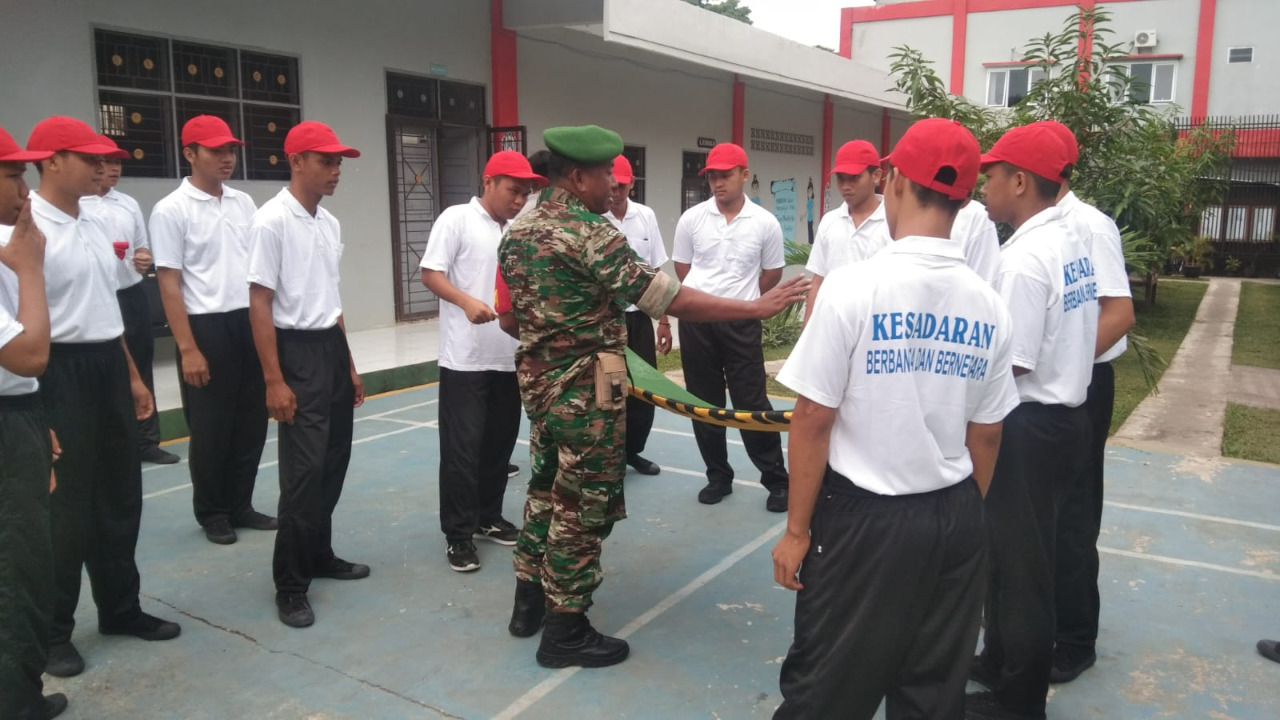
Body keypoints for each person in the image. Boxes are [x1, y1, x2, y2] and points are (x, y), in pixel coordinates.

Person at [499, 125, 808, 669]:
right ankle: (565, 629)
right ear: (578, 178)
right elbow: (668, 297)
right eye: (606, 176)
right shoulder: (590, 234)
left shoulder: (519, 230)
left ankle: (529, 602)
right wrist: (755, 308)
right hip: (586, 394)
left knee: (545, 489)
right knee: (582, 506)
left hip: (541, 388)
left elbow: (515, 317)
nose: (614, 187)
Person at [771, 117, 1019, 720]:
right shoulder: (989, 305)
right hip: (955, 514)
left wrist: (797, 530)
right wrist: (962, 513)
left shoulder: (853, 289)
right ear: (964, 198)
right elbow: (986, 433)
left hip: (865, 521)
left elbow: (812, 417)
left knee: (826, 688)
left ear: (897, 182)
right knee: (932, 688)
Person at [25, 116, 181, 680]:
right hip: (56, 370)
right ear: (51, 162)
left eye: (103, 158)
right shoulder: (24, 229)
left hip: (108, 364)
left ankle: (120, 608)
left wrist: (133, 376)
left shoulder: (92, 221)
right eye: (88, 158)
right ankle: (53, 634)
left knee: (120, 494)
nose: (101, 167)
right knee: (66, 510)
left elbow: (106, 307)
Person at [967, 123, 1100, 720]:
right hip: (1065, 421)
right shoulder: (1068, 241)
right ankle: (998, 660)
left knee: (1022, 570)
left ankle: (1019, 701)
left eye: (992, 175)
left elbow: (1013, 363)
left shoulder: (1023, 259)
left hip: (1029, 426)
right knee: (1013, 557)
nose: (984, 186)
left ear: (1020, 182)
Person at [247, 121, 369, 629]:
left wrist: (349, 364)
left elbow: (330, 298)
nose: (335, 170)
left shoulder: (329, 223)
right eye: (326, 161)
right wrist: (274, 380)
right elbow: (259, 301)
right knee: (303, 473)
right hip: (294, 351)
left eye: (338, 162)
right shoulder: (271, 221)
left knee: (333, 461)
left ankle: (319, 553)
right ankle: (291, 585)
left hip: (329, 347)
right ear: (296, 161)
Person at [1034, 120, 1136, 684]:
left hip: (1083, 384)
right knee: (1034, 514)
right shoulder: (1038, 227)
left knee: (1072, 512)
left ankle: (1074, 638)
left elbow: (1119, 312)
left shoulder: (1089, 226)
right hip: (1052, 386)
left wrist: (1065, 365)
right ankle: (1033, 626)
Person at [150, 115, 275, 545]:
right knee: (211, 428)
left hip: (248, 321)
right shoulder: (171, 210)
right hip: (205, 326)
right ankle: (213, 512)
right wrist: (188, 348)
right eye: (216, 150)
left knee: (251, 422)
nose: (227, 158)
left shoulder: (243, 203)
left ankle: (241, 504)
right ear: (190, 153)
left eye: (231, 150)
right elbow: (169, 283)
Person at [420, 150, 544, 573]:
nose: (519, 200)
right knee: (462, 452)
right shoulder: (456, 219)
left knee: (498, 447)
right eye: (513, 191)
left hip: (508, 358)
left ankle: (488, 517)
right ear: (488, 182)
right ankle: (458, 535)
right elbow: (431, 273)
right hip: (466, 361)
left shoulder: (519, 230)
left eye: (525, 194)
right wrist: (466, 301)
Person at [671, 143, 790, 512]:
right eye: (712, 176)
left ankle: (776, 480)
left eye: (725, 175)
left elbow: (772, 272)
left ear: (744, 174)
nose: (718, 183)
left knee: (751, 401)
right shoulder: (691, 219)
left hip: (741, 324)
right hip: (697, 324)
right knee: (703, 401)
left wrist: (743, 302)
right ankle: (718, 477)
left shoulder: (765, 223)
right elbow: (682, 268)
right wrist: (707, 303)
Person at [0, 126, 69, 720]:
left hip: (16, 410)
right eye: (10, 175)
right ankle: (17, 700)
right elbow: (28, 354)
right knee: (16, 567)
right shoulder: (17, 256)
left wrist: (33, 416)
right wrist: (30, 271)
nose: (23, 189)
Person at [81, 135, 178, 466]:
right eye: (107, 162)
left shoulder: (128, 204)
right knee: (107, 372)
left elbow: (142, 247)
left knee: (141, 365)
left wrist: (143, 257)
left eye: (117, 163)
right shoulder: (80, 205)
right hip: (98, 297)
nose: (113, 169)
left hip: (131, 294)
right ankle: (113, 444)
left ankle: (147, 441)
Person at [603, 154, 670, 476]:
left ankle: (632, 452)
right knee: (609, 390)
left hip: (639, 317)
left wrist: (664, 320)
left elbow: (656, 270)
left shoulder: (645, 216)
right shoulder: (593, 218)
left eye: (622, 185)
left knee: (645, 390)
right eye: (612, 184)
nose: (616, 191)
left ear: (632, 184)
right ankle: (609, 456)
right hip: (606, 320)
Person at [803, 139, 889, 326]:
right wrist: (806, 333)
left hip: (877, 327)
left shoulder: (893, 222)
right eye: (841, 178)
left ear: (876, 176)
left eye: (854, 177)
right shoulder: (830, 221)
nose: (846, 186)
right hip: (832, 325)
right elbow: (818, 281)